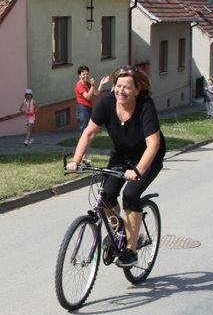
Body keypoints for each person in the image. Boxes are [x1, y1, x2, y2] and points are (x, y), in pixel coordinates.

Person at [66, 66, 166, 267]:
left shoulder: (145, 106)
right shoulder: (107, 103)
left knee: (130, 195)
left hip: (148, 158)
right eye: (118, 86)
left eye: (127, 87)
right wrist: (76, 160)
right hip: (121, 155)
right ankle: (120, 230)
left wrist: (137, 170)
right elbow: (89, 133)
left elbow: (153, 144)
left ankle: (131, 250)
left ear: (137, 90)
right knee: (107, 195)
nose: (121, 91)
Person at [74, 66, 110, 133]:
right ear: (79, 76)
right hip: (83, 109)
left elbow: (96, 93)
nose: (85, 76)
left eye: (87, 74)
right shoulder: (79, 85)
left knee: (88, 128)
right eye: (83, 74)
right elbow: (87, 97)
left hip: (88, 108)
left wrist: (101, 83)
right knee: (84, 129)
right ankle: (82, 140)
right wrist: (92, 86)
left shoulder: (88, 84)